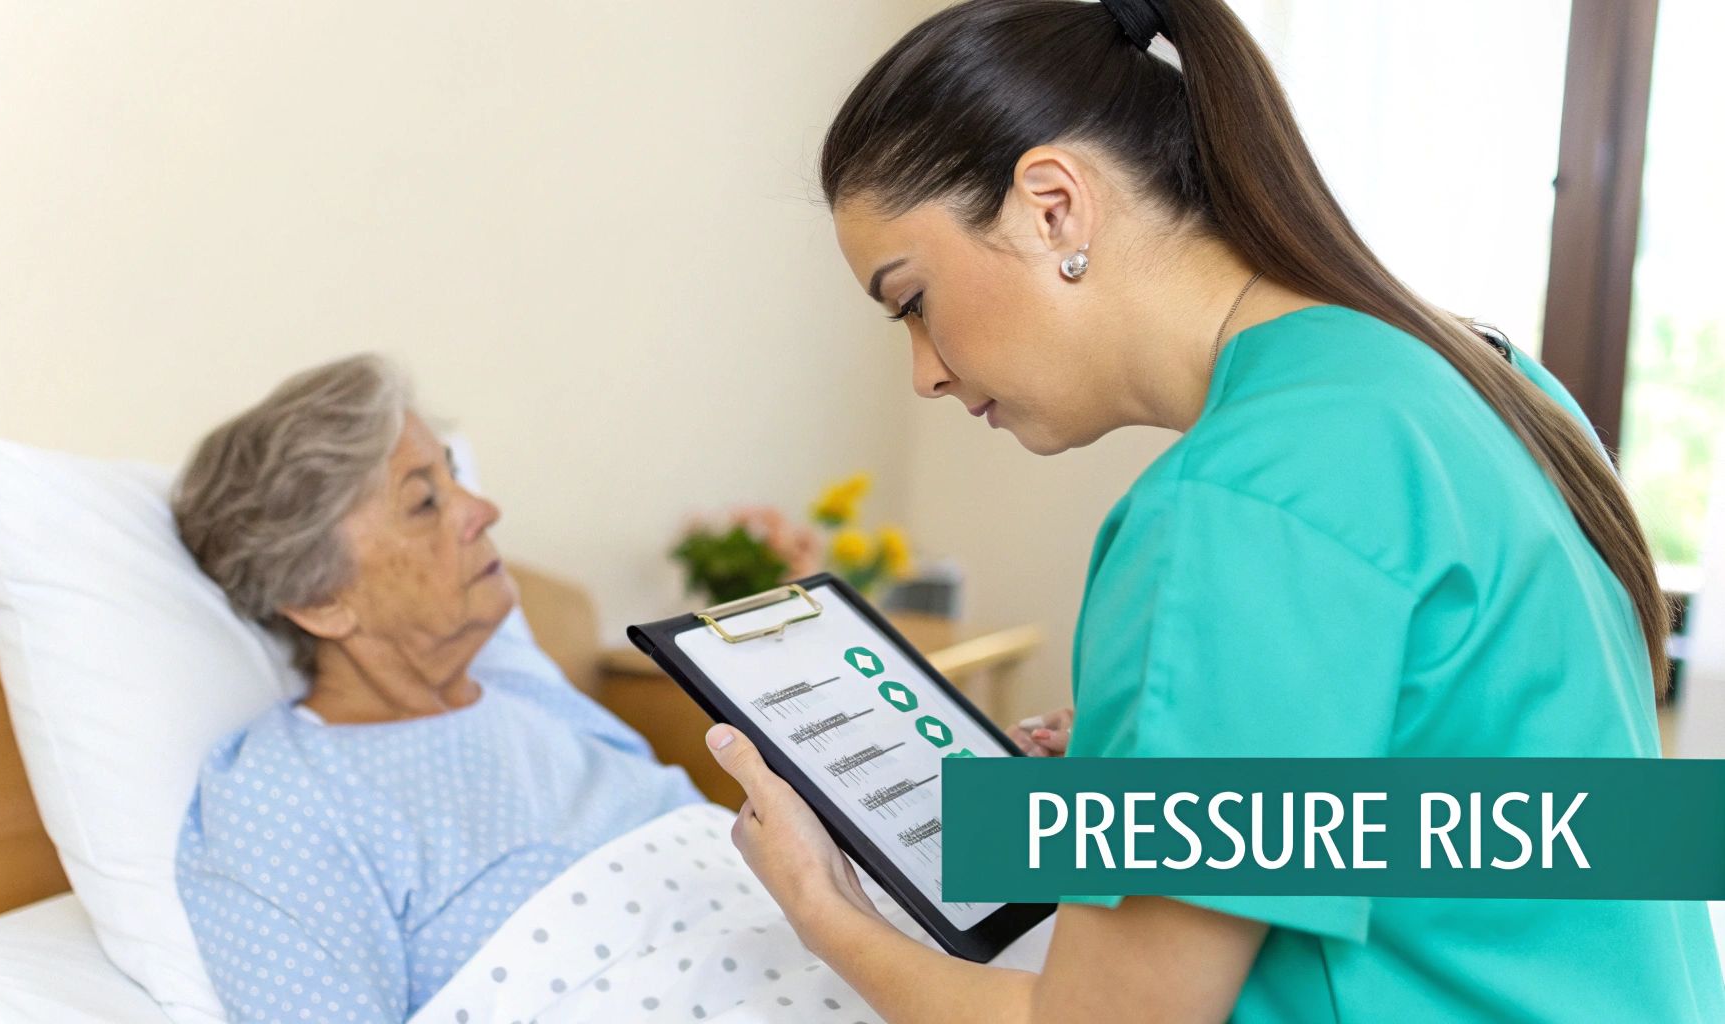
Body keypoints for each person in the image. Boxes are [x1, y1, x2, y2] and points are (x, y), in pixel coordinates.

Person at [702, 1, 1725, 1021]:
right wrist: (1111, 793)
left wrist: (822, 906)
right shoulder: (1487, 375)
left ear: (1052, 206)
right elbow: (1573, 826)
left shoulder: (1236, 502)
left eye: (912, 298)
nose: (922, 373)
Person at [169, 355, 702, 1021]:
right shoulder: (281, 798)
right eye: (425, 501)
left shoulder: (530, 698)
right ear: (319, 598)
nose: (484, 508)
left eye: (453, 475)